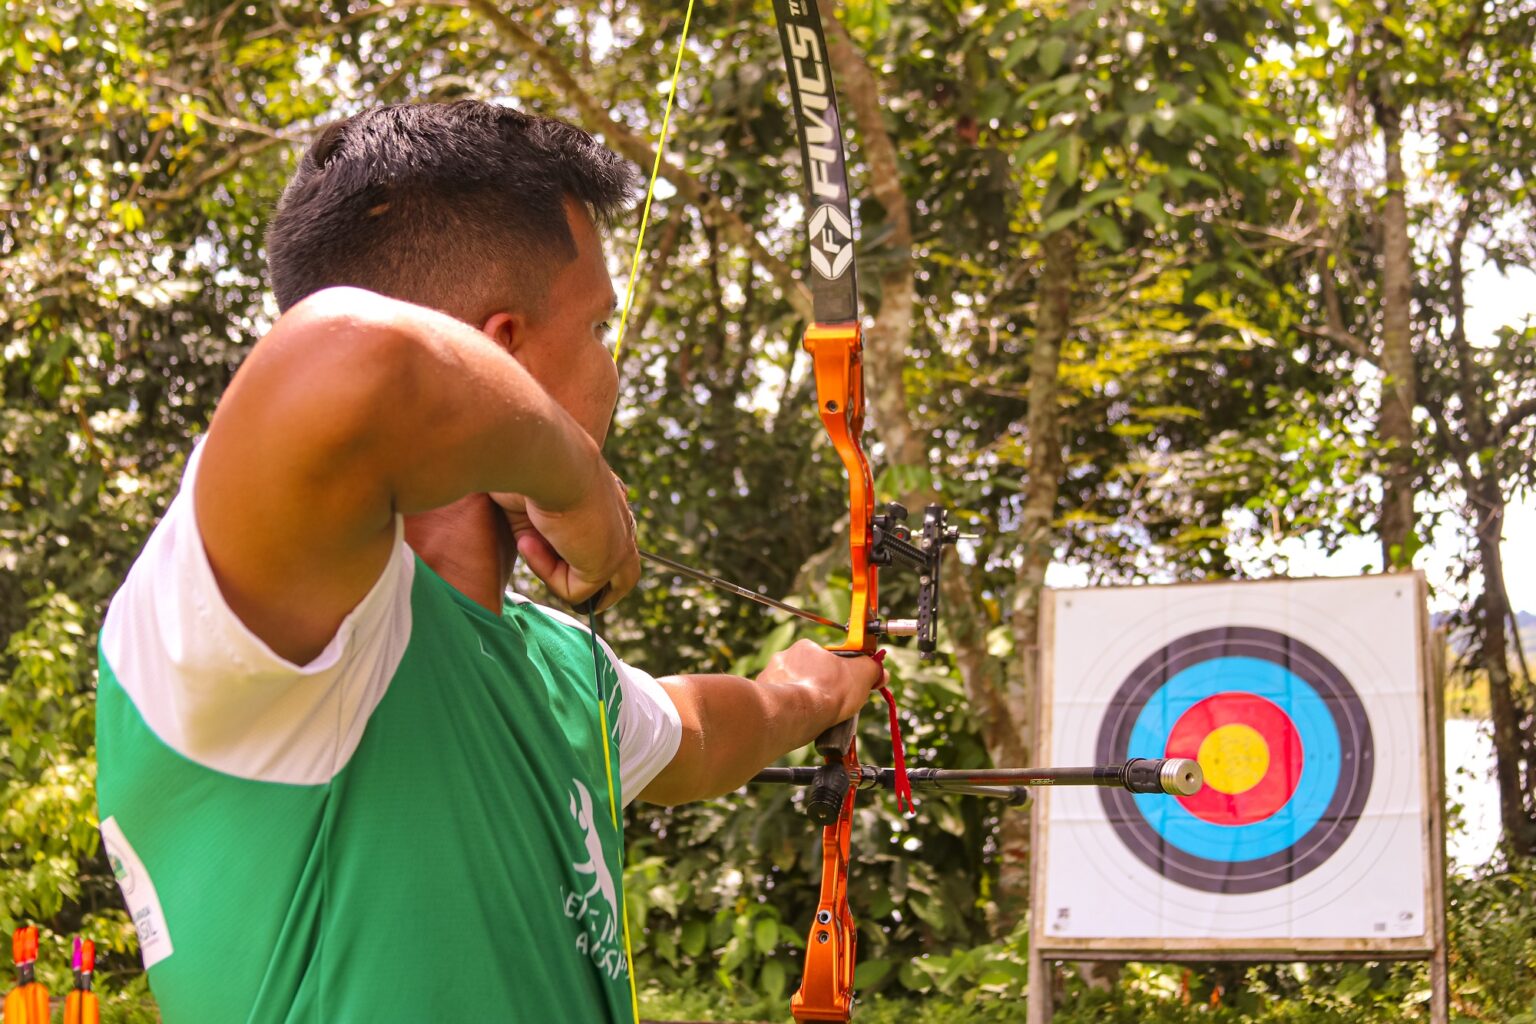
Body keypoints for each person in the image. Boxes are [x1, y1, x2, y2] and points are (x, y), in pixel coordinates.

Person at [94, 100, 885, 1023]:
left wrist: (818, 687)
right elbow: (350, 353)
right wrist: (579, 484)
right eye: (597, 329)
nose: (611, 367)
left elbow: (705, 733)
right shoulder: (255, 627)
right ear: (500, 345)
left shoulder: (556, 665)